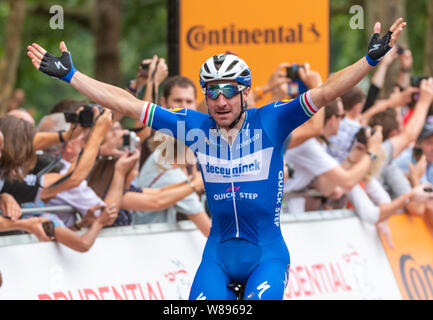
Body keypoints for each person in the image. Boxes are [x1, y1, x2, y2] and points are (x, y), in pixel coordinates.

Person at [27, 18, 406, 300]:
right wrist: (72, 75)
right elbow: (126, 104)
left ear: (244, 94)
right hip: (218, 256)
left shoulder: (271, 121)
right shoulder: (194, 126)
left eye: (229, 91)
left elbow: (324, 92)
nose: (220, 100)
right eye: (212, 91)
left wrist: (369, 60)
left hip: (266, 256)